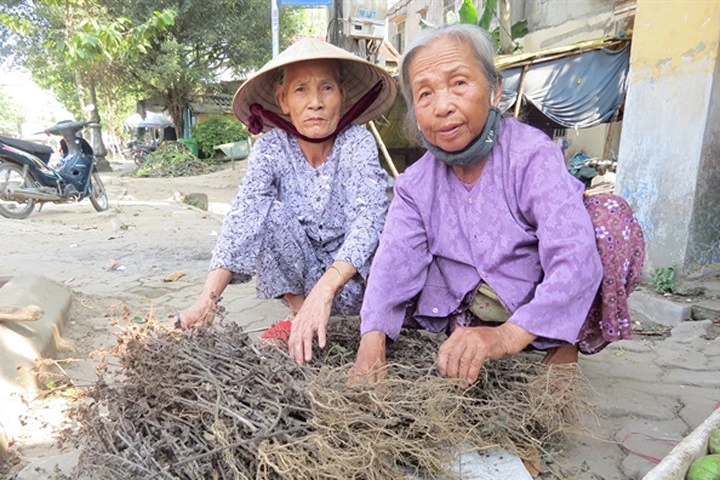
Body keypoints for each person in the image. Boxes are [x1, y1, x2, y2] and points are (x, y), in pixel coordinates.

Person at [351, 24, 645, 387]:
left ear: (494, 91)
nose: (443, 106)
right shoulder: (415, 183)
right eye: (424, 94)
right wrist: (371, 340)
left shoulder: (531, 154)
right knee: (385, 259)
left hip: (530, 297)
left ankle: (559, 342)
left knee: (607, 221)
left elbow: (574, 257)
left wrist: (505, 337)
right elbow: (394, 263)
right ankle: (476, 339)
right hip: (463, 305)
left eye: (459, 83)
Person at [177, 37, 397, 366]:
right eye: (300, 90)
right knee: (270, 213)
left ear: (343, 95)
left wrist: (325, 291)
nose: (315, 103)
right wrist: (207, 301)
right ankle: (300, 317)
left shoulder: (357, 142)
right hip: (302, 285)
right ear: (283, 100)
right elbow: (243, 216)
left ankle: (332, 321)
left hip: (351, 284)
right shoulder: (271, 148)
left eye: (326, 88)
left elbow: (369, 221)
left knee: (386, 222)